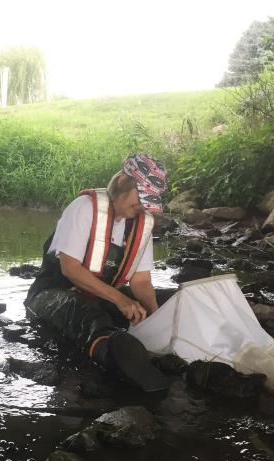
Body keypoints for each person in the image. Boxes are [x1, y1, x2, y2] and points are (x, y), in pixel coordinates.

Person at [25, 154, 170, 393]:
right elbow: (70, 269)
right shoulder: (83, 208)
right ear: (123, 183)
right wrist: (120, 300)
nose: (142, 208)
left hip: (101, 296)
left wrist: (156, 318)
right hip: (52, 295)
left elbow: (142, 281)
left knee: (166, 299)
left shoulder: (142, 224)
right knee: (83, 311)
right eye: (139, 200)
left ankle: (141, 348)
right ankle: (113, 352)